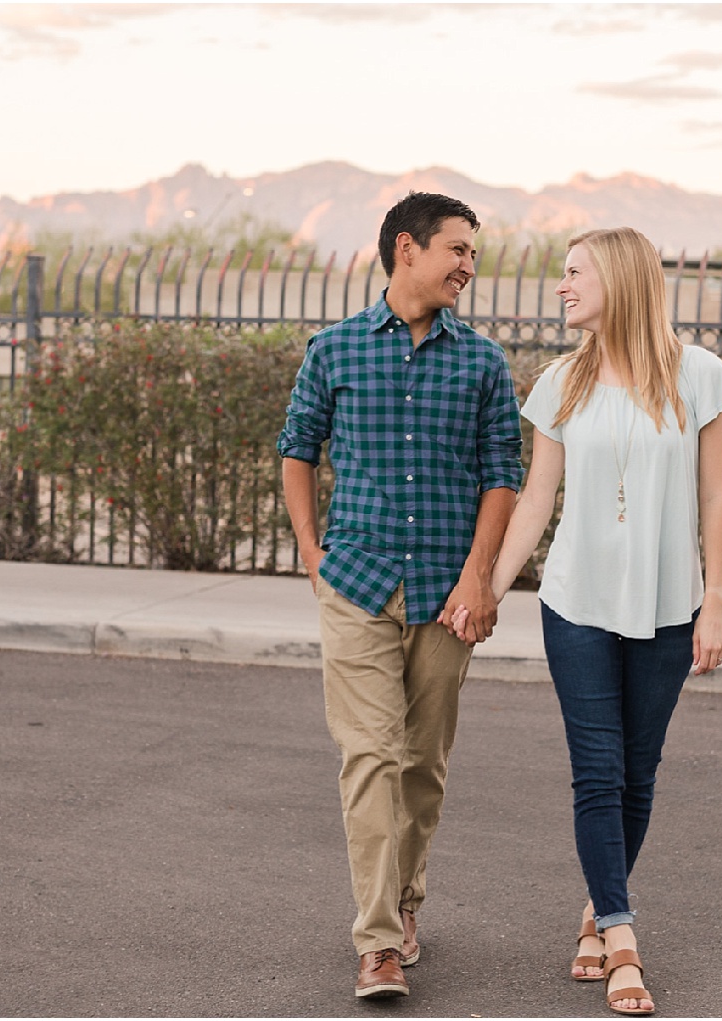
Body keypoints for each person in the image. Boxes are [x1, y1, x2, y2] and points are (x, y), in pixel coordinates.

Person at [452, 227, 722, 1016]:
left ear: (617, 277)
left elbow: (715, 496)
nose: (561, 286)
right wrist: (488, 590)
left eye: (574, 272)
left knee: (639, 771)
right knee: (598, 770)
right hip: (576, 604)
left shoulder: (701, 376)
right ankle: (620, 934)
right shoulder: (559, 382)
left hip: (669, 607)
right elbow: (537, 499)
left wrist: (716, 600)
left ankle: (594, 906)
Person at [276, 192, 523, 1000]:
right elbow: (296, 450)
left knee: (423, 764)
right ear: (407, 249)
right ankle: (378, 940)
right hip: (356, 582)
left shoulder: (483, 361)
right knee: (370, 755)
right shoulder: (336, 350)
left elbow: (502, 477)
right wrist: (313, 551)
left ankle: (406, 903)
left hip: (447, 593)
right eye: (458, 250)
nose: (467, 266)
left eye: (474, 256)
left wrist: (478, 575)